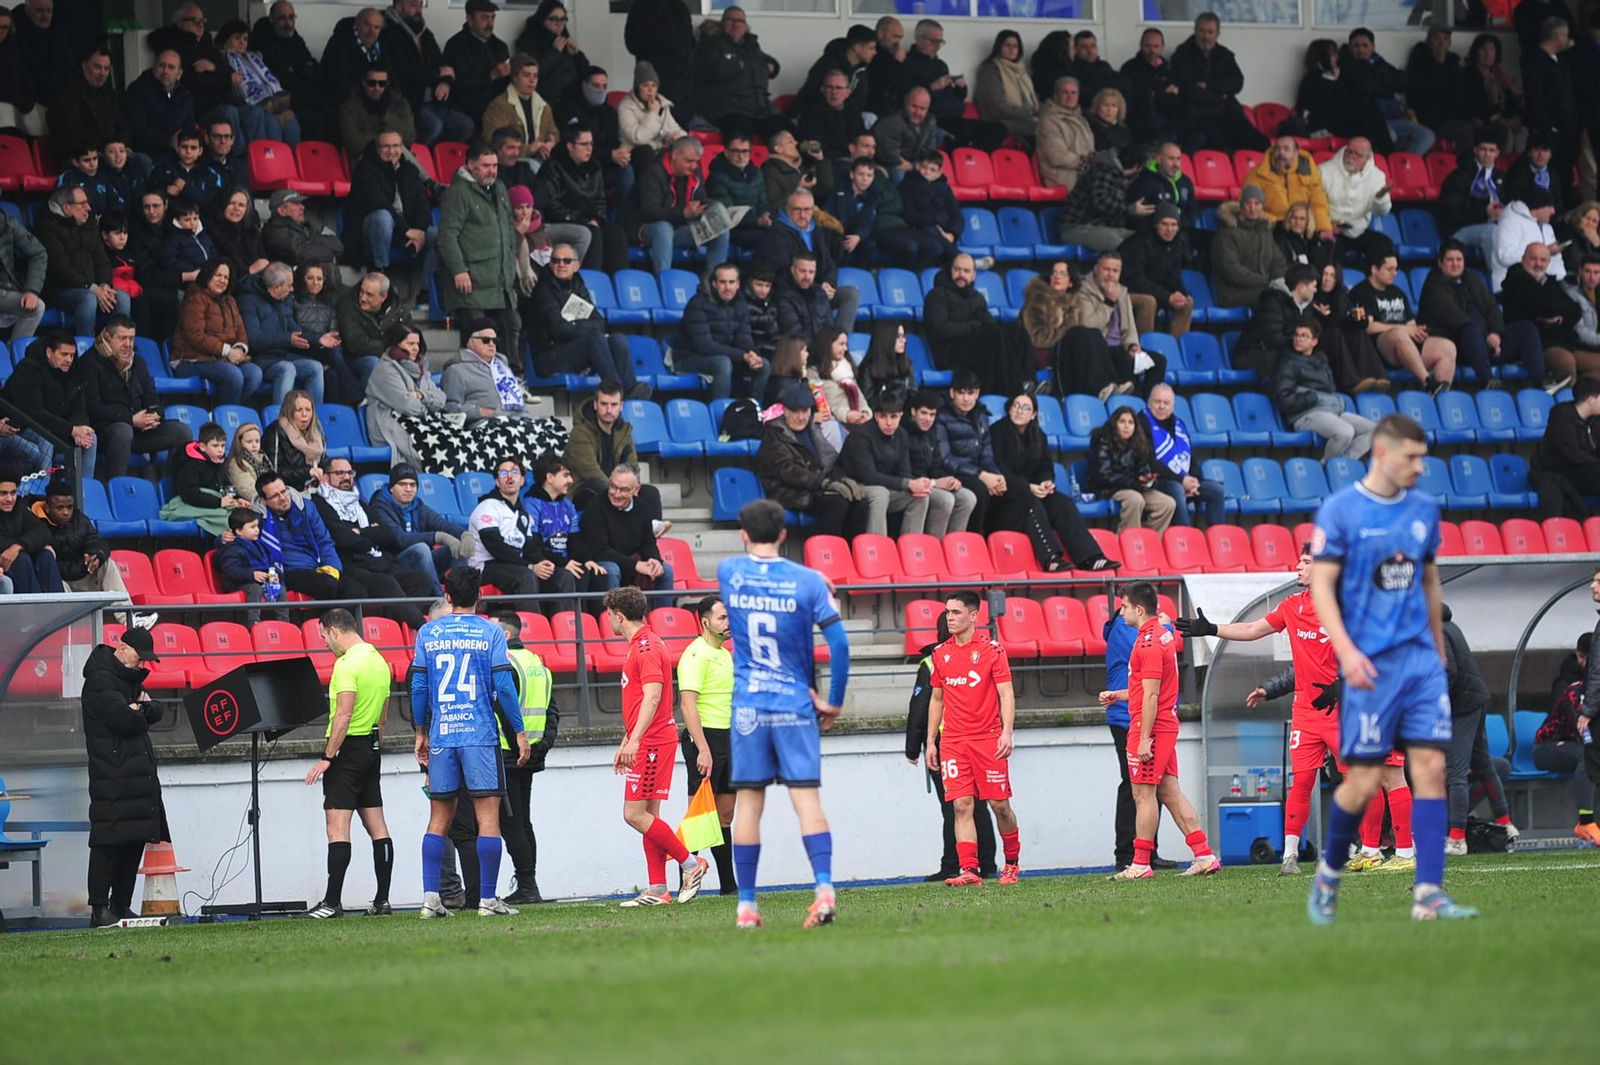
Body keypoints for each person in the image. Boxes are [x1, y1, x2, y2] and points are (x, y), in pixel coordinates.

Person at [1306, 414, 1477, 924]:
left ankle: (1428, 893)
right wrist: (1347, 651)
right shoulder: (1341, 511)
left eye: (1424, 458)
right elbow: (1320, 588)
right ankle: (1329, 874)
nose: (1420, 468)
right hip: (1370, 666)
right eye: (1412, 457)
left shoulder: (1424, 510)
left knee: (1430, 768)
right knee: (1363, 780)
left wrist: (1437, 650)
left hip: (1420, 665)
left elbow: (1428, 580)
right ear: (1382, 453)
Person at [716, 499, 849, 928]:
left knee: (749, 806)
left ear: (742, 533)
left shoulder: (728, 571)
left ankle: (747, 907)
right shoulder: (808, 581)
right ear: (785, 534)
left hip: (750, 706)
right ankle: (825, 889)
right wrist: (835, 698)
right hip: (795, 704)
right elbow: (841, 645)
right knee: (807, 800)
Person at [411, 565, 530, 919]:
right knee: (487, 817)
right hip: (479, 736)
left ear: (447, 596)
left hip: (443, 735)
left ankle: (431, 899)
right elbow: (505, 686)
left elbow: (418, 687)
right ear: (479, 596)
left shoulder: (427, 633)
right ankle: (488, 900)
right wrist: (519, 732)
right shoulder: (491, 632)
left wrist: (420, 731)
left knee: (439, 817)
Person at [1102, 581, 1221, 881]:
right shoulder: (1163, 636)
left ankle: (1140, 864)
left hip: (1150, 728)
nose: (1122, 612)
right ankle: (1204, 854)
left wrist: (1143, 738)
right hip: (1163, 725)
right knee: (1170, 792)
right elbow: (1148, 688)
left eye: (1125, 606)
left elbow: (1152, 695)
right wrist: (1119, 695)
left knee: (1143, 796)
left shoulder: (1148, 644)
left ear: (1138, 609)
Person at [601, 585, 709, 908]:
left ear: (619, 616)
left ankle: (691, 864)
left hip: (652, 743)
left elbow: (653, 697)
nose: (608, 621)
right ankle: (658, 889)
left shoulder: (645, 648)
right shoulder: (644, 643)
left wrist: (635, 740)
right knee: (650, 816)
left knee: (633, 814)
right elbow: (641, 702)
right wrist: (627, 740)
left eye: (609, 616)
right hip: (648, 739)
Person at [300, 609, 395, 919]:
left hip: (348, 750)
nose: (325, 643)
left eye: (324, 637)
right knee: (377, 825)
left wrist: (329, 757)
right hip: (371, 746)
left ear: (335, 631)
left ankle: (331, 903)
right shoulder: (379, 661)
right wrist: (374, 745)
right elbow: (383, 714)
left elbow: (343, 714)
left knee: (337, 827)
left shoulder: (346, 664)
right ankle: (382, 901)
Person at [925, 590, 1021, 888]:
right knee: (961, 805)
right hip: (953, 741)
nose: (949, 618)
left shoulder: (993, 650)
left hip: (987, 739)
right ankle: (969, 869)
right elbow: (937, 699)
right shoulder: (940, 653)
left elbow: (1006, 693)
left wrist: (1007, 731)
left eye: (955, 612)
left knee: (999, 806)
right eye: (947, 613)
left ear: (973, 616)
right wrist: (931, 741)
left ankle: (1012, 864)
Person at [81, 627, 168, 928]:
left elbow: (157, 709)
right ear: (122, 648)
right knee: (108, 841)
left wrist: (140, 707)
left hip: (135, 774)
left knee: (134, 840)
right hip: (112, 774)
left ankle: (121, 905)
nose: (143, 665)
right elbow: (124, 719)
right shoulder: (100, 679)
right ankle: (99, 908)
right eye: (140, 658)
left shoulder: (129, 681)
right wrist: (139, 710)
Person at [989, 390, 1115, 573]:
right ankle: (1051, 558)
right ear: (1009, 409)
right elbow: (998, 466)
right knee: (1031, 503)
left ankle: (1092, 557)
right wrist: (1028, 487)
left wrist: (1046, 482)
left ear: (1033, 414)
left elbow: (1045, 466)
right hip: (1007, 499)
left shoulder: (1039, 435)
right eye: (1016, 406)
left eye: (1026, 408)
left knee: (1062, 502)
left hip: (1033, 492)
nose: (1019, 411)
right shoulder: (997, 432)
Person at [1421, 239, 1556, 391]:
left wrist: (1496, 333)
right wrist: (1486, 338)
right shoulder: (1434, 284)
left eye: (1459, 259)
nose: (1455, 264)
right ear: (1440, 263)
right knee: (1469, 330)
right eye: (1450, 260)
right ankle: (1488, 381)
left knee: (1527, 328)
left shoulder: (1472, 278)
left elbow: (1492, 308)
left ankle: (1540, 381)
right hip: (1460, 346)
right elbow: (1455, 318)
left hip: (1488, 345)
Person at [675, 594, 738, 894]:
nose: (728, 623)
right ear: (704, 621)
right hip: (706, 739)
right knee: (698, 816)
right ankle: (686, 885)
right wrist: (702, 748)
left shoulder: (724, 654)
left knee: (725, 814)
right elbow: (688, 706)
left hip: (728, 738)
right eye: (722, 618)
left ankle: (728, 886)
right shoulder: (695, 655)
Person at [78, 317, 191, 480]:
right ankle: (117, 488)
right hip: (105, 431)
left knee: (181, 432)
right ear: (108, 337)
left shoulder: (138, 362)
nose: (128, 344)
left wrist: (155, 415)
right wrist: (130, 419)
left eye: (131, 339)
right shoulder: (90, 363)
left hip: (138, 431)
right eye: (122, 338)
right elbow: (92, 408)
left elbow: (152, 400)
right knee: (123, 431)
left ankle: (171, 490)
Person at [438, 141, 519, 364]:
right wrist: (459, 270)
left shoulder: (500, 189)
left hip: (499, 280)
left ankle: (512, 381)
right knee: (477, 336)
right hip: (471, 281)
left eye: (494, 165)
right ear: (471, 165)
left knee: (511, 326)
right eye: (486, 165)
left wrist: (510, 265)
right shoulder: (458, 193)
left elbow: (509, 228)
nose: (492, 170)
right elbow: (447, 236)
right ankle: (475, 381)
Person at [527, 249, 645, 398]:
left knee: (617, 339)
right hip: (547, 357)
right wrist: (583, 327)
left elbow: (599, 321)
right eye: (556, 260)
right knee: (594, 339)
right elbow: (558, 329)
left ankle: (629, 387)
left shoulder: (577, 285)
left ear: (576, 265)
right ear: (550, 264)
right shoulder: (543, 291)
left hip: (571, 348)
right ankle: (615, 391)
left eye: (567, 261)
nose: (561, 264)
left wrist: (576, 325)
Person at [756, 384, 867, 540]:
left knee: (859, 501)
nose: (801, 417)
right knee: (838, 503)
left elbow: (831, 461)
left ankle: (849, 553)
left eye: (805, 411)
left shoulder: (813, 430)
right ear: (785, 411)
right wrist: (823, 483)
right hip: (789, 491)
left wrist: (843, 479)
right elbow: (789, 471)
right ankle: (825, 554)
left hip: (815, 488)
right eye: (795, 412)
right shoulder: (774, 436)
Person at [922, 253, 1032, 396]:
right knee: (992, 334)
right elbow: (939, 329)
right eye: (957, 269)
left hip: (979, 347)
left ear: (974, 275)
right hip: (951, 352)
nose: (961, 274)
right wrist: (971, 326)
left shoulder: (976, 297)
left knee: (1017, 332)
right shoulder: (937, 295)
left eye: (966, 271)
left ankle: (1029, 383)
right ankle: (1012, 390)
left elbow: (990, 324)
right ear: (951, 270)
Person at [839, 394, 946, 538]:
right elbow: (869, 476)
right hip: (855, 486)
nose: (889, 423)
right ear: (876, 416)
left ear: (901, 416)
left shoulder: (902, 435)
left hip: (885, 486)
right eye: (884, 417)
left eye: (894, 417)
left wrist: (919, 484)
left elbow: (904, 472)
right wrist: (908, 483)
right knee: (880, 494)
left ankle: (912, 550)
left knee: (920, 496)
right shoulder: (860, 436)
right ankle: (878, 550)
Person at [622, 136, 730, 277]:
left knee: (720, 229)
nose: (693, 166)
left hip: (679, 230)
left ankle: (715, 281)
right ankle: (664, 282)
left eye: (696, 161)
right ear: (675, 155)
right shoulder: (653, 173)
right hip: (645, 228)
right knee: (664, 229)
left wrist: (711, 208)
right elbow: (650, 212)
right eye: (689, 160)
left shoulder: (695, 174)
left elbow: (701, 199)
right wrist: (683, 213)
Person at [1352, 251, 1456, 394]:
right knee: (1399, 334)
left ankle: (1440, 396)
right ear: (1374, 269)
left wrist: (1417, 332)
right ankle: (1427, 382)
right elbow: (1369, 327)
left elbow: (1411, 324)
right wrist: (1405, 329)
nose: (1395, 273)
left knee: (1448, 347)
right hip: (1380, 347)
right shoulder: (1361, 292)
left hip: (1407, 344)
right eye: (1390, 269)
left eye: (1396, 269)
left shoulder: (1398, 292)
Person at [1501, 242, 1600, 392]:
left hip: (1565, 341)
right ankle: (1565, 409)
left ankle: (1582, 394)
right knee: (1567, 366)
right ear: (1523, 259)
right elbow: (1544, 306)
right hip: (1539, 344)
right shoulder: (1516, 279)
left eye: (1543, 260)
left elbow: (1574, 310)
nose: (1538, 264)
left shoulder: (1551, 283)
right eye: (1533, 259)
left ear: (1548, 262)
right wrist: (1552, 311)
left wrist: (1558, 319)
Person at [1068, 252, 1166, 400]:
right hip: (1100, 347)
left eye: (1115, 271)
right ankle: (1129, 402)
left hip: (1120, 346)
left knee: (1158, 361)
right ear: (1096, 269)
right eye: (1106, 269)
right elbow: (1089, 325)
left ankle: (1148, 405)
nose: (1110, 275)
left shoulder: (1122, 291)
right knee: (1123, 359)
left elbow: (1130, 325)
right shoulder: (1083, 290)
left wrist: (1133, 345)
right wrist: (1108, 302)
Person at [35, 186, 129, 339]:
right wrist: (92, 288)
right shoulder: (46, 227)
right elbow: (60, 269)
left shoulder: (89, 223)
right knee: (87, 299)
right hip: (60, 291)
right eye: (83, 204)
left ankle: (117, 347)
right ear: (67, 208)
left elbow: (102, 260)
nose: (89, 208)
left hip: (93, 288)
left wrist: (105, 284)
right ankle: (87, 349)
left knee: (122, 298)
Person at [1274, 320, 1375, 461]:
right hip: (1306, 414)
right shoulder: (1287, 363)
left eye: (1304, 336)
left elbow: (1330, 388)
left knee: (1374, 430)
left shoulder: (1321, 362)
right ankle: (1326, 466)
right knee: (1345, 432)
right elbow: (1285, 400)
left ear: (1314, 342)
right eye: (1296, 335)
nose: (1299, 339)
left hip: (1331, 411)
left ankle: (1344, 462)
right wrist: (1312, 398)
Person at [566, 382, 663, 528]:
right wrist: (619, 490)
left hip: (615, 487)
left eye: (614, 404)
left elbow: (632, 467)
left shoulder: (624, 432)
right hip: (583, 490)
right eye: (604, 404)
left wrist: (629, 488)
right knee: (598, 486)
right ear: (595, 405)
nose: (609, 410)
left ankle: (652, 534)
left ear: (621, 406)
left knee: (650, 493)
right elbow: (591, 471)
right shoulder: (580, 433)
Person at [3, 332, 96, 481]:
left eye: (72, 355)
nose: (69, 360)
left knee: (90, 438)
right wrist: (71, 430)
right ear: (49, 352)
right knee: (45, 436)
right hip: (22, 428)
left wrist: (80, 426)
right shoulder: (29, 369)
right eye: (64, 354)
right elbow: (33, 414)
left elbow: (79, 409)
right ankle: (44, 491)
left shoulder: (74, 373)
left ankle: (84, 492)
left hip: (56, 428)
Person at [536, 124, 628, 274]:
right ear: (570, 146)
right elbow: (552, 206)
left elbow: (600, 201)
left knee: (616, 233)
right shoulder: (553, 167)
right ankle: (591, 282)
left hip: (587, 220)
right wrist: (582, 220)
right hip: (560, 222)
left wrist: (598, 218)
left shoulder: (595, 167)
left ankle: (620, 284)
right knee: (592, 233)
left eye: (591, 144)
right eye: (584, 144)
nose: (589, 149)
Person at [522, 450, 609, 610]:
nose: (571, 480)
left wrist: (587, 559)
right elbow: (534, 546)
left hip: (567, 562)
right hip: (546, 563)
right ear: (550, 477)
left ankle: (598, 627)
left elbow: (575, 540)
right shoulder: (531, 504)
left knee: (597, 573)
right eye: (566, 475)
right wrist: (563, 563)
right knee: (575, 575)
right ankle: (575, 626)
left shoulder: (568, 505)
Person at [1169, 12, 1266, 153]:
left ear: (1218, 34)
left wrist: (1209, 85)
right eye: (1202, 31)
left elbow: (1237, 83)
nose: (1205, 36)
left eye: (1210, 32)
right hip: (1198, 116)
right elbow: (1190, 91)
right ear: (1195, 31)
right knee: (1221, 149)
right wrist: (1221, 96)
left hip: (1229, 112)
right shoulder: (1182, 55)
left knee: (1262, 144)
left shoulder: (1224, 55)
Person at [1537, 630, 1599, 843]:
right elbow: (1582, 731)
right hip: (1547, 747)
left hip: (1571, 745)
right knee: (1587, 753)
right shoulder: (1575, 691)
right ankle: (1585, 822)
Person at [237, 262, 326, 406]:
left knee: (315, 367)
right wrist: (287, 339)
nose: (292, 289)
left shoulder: (281, 301)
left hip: (281, 356)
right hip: (260, 360)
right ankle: (281, 420)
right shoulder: (248, 301)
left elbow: (295, 330)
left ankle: (314, 422)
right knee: (287, 368)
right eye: (289, 285)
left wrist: (320, 339)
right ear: (276, 287)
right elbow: (255, 339)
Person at [576, 464, 673, 594]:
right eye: (613, 487)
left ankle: (662, 614)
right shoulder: (595, 507)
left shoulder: (643, 507)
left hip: (633, 558)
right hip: (604, 560)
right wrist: (635, 565)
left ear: (636, 490)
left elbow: (648, 543)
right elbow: (600, 551)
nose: (616, 494)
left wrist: (654, 559)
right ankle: (612, 613)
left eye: (624, 490)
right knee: (612, 570)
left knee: (665, 571)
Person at [679, 263, 766, 402]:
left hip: (727, 356)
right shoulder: (697, 304)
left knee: (763, 365)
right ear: (714, 284)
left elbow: (744, 337)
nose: (727, 287)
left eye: (731, 282)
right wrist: (742, 355)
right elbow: (705, 346)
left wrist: (752, 354)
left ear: (738, 284)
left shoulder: (740, 303)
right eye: (722, 282)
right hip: (689, 357)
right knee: (723, 363)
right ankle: (721, 411)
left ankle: (755, 411)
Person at [1339, 27, 1433, 156]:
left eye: (1365, 45)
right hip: (1373, 123)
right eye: (1356, 46)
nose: (1361, 50)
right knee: (1390, 139)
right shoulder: (1346, 65)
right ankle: (1391, 164)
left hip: (1395, 118)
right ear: (1350, 48)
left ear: (1373, 47)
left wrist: (1381, 80)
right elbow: (1366, 87)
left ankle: (1400, 163)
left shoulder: (1379, 63)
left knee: (1427, 136)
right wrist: (1386, 82)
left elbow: (1402, 83)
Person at [367, 464, 465, 587]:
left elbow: (441, 523)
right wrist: (438, 537)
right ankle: (438, 599)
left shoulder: (417, 505)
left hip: (425, 562)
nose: (408, 489)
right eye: (402, 484)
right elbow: (400, 539)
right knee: (421, 548)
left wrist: (463, 534)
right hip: (396, 564)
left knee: (458, 548)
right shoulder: (379, 507)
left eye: (412, 485)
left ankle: (461, 596)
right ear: (392, 487)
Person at [29, 478, 125, 602]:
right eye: (60, 508)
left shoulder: (80, 519)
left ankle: (127, 617)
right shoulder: (35, 523)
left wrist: (96, 554)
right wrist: (80, 567)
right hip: (60, 583)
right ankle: (67, 621)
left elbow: (97, 540)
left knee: (107, 563)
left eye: (70, 507)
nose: (66, 512)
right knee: (56, 582)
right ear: (47, 508)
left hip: (83, 576)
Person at [1143, 384, 1225, 528]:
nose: (1162, 406)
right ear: (1149, 403)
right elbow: (1150, 461)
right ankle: (1184, 540)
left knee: (1216, 490)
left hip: (1182, 478)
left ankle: (1218, 540)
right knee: (1176, 488)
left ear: (1173, 406)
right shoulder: (1142, 422)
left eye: (1166, 403)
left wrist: (1194, 481)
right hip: (1157, 479)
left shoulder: (1179, 424)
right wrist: (1181, 480)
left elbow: (1191, 456)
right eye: (1157, 402)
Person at [692, 6, 780, 141]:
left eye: (741, 21)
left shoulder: (751, 46)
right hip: (726, 109)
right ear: (722, 23)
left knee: (787, 133)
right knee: (740, 137)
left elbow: (770, 65)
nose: (736, 24)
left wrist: (771, 67)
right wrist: (737, 65)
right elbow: (716, 71)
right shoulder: (709, 44)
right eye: (731, 20)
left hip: (759, 110)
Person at [1087, 407, 1176, 533]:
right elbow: (1102, 474)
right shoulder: (1102, 440)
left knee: (1167, 503)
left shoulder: (1137, 442)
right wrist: (1131, 483)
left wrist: (1145, 478)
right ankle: (1129, 542)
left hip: (1132, 486)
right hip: (1107, 488)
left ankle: (1148, 541)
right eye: (1122, 422)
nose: (1127, 426)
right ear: (1114, 423)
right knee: (1135, 500)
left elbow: (1142, 466)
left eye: (1131, 422)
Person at [904, 390, 976, 537]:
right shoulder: (903, 434)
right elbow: (905, 472)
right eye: (923, 413)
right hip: (911, 485)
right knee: (945, 500)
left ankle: (953, 546)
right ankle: (934, 547)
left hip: (930, 483)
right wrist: (934, 483)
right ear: (913, 412)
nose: (928, 419)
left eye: (932, 415)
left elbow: (935, 467)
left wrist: (950, 480)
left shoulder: (931, 433)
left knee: (968, 497)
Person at [1118, 203, 1192, 337]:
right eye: (1165, 224)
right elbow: (1134, 280)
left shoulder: (1176, 244)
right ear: (1156, 224)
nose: (1169, 229)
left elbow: (1174, 277)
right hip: (1125, 291)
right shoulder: (1138, 243)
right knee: (1148, 301)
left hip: (1154, 291)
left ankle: (1174, 347)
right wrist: (1167, 296)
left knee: (1187, 302)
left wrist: (1180, 294)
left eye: (1174, 225)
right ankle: (1146, 347)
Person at [1439, 128, 1507, 270]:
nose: (1487, 154)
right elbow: (1450, 215)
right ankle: (1500, 284)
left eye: (1491, 150)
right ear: (1475, 150)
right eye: (1483, 149)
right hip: (1459, 231)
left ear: (1497, 153)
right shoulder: (1459, 177)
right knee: (1491, 231)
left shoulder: (1501, 177)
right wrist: (1484, 213)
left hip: (1496, 226)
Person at [1522, 15, 1578, 188]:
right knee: (1551, 172)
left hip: (1566, 127)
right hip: (1548, 129)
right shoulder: (1535, 60)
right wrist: (1547, 125)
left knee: (1565, 172)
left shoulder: (1561, 60)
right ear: (1558, 36)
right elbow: (1535, 95)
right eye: (1566, 35)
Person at [1320, 138, 1396, 262]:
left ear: (1367, 158)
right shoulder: (1324, 170)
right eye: (1348, 152)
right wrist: (1325, 224)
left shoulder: (1377, 176)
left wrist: (1380, 197)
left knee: (1385, 246)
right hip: (1329, 228)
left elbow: (1381, 212)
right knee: (1332, 249)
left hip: (1358, 230)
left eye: (1357, 154)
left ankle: (1368, 278)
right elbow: (1315, 204)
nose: (1351, 156)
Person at [1212, 185, 1288, 309]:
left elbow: (1278, 261)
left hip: (1262, 287)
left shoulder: (1265, 231)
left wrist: (1278, 280)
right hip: (1233, 292)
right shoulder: (1227, 233)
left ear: (1262, 206)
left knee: (1294, 296)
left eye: (1257, 203)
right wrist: (1266, 281)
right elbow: (1230, 270)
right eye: (1248, 203)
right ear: (1241, 205)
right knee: (1274, 299)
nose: (1253, 208)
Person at [1534, 375, 1600, 517]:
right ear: (1590, 400)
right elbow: (1572, 454)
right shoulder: (1562, 418)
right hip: (1564, 472)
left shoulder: (1595, 421)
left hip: (1588, 472)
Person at [1246, 136, 1334, 241]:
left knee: (1330, 245)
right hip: (1274, 226)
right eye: (1277, 149)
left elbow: (1318, 204)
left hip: (1303, 225)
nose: (1281, 153)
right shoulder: (1258, 173)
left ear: (1296, 153)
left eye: (1286, 149)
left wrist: (1323, 228)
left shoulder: (1309, 171)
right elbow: (1248, 205)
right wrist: (1274, 221)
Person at [1407, 26, 1473, 154]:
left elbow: (1461, 94)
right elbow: (1426, 93)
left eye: (1445, 39)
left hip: (1455, 117)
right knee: (1466, 130)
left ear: (1449, 43)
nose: (1441, 43)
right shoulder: (1418, 62)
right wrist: (1439, 64)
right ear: (1428, 42)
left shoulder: (1454, 63)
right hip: (1431, 120)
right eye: (1436, 39)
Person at [481, 53, 557, 164]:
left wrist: (550, 144)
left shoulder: (544, 106)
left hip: (540, 159)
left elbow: (553, 133)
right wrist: (530, 149)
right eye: (526, 75)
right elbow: (496, 144)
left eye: (535, 76)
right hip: (511, 163)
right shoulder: (498, 106)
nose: (532, 80)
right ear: (515, 78)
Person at [1056, 149, 1133, 253]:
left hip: (1098, 227)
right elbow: (1101, 202)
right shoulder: (1103, 172)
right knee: (1119, 244)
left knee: (1137, 241)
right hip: (1075, 227)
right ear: (1136, 167)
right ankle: (1113, 269)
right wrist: (1130, 209)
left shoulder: (1117, 177)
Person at [1493, 186, 1564, 293]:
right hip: (1511, 287)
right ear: (1538, 207)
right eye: (1549, 206)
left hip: (1545, 286)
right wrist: (1544, 252)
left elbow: (1557, 261)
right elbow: (1505, 256)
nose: (1553, 211)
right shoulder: (1510, 222)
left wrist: (1560, 280)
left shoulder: (1547, 227)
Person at [261, 189, 343, 277]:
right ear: (282, 211)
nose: (302, 207)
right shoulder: (274, 233)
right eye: (296, 204)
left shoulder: (305, 227)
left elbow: (338, 245)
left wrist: (308, 241)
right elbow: (300, 254)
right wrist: (330, 255)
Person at [974, 30, 1037, 143]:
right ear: (999, 47)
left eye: (1015, 46)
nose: (1012, 49)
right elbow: (997, 108)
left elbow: (1033, 102)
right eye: (1008, 45)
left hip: (1024, 119)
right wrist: (1029, 115)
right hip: (1000, 122)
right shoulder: (990, 70)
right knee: (1046, 129)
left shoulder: (1020, 71)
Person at [261, 390, 325, 491]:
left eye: (308, 410)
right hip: (287, 492)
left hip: (315, 490)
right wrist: (308, 472)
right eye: (299, 410)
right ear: (289, 411)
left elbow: (323, 463)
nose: (304, 414)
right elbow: (273, 472)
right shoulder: (275, 432)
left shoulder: (317, 434)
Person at [1035, 78, 1092, 192]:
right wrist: (1087, 162)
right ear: (1056, 96)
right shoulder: (1049, 120)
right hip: (1063, 179)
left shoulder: (1082, 120)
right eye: (1065, 92)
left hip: (1083, 177)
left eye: (1073, 93)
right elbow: (1056, 156)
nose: (1069, 96)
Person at [1127, 141, 1197, 233]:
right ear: (1159, 158)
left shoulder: (1185, 181)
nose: (1176, 164)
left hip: (1183, 232)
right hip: (1154, 235)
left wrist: (1182, 226)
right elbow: (1140, 218)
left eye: (1178, 159)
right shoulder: (1144, 181)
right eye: (1171, 159)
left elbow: (1193, 211)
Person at [798, 68, 865, 163]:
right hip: (828, 161)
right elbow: (814, 145)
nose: (834, 92)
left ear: (848, 92)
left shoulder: (853, 109)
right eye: (830, 87)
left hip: (854, 158)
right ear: (822, 90)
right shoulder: (812, 111)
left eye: (839, 88)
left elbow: (860, 136)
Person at [873, 87, 943, 177]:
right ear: (906, 103)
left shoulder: (930, 122)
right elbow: (888, 154)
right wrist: (913, 167)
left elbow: (930, 150)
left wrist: (923, 167)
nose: (918, 112)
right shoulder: (892, 120)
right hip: (887, 163)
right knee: (899, 175)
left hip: (913, 164)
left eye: (922, 109)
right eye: (914, 106)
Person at [617, 61, 686, 153]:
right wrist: (653, 113)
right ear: (638, 88)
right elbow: (638, 138)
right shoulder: (625, 106)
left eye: (654, 86)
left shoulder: (661, 103)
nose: (650, 90)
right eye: (645, 85)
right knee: (646, 152)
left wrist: (676, 136)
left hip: (657, 150)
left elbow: (672, 127)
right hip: (634, 153)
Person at [0, 205, 46, 342]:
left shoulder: (6, 222)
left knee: (36, 307)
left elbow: (38, 253)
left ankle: (11, 357)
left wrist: (31, 290)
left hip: (3, 290)